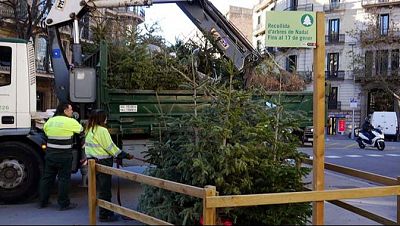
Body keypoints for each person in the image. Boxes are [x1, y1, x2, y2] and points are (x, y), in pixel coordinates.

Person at [84, 109, 133, 222]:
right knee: (105, 190)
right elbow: (110, 147)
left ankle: (107, 212)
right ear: (101, 118)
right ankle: (105, 215)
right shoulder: (102, 131)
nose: (107, 119)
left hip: (93, 162)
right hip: (103, 163)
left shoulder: (90, 129)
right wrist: (124, 155)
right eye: (105, 117)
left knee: (101, 189)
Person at [39, 103, 83, 210]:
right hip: (64, 155)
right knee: (64, 179)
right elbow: (81, 130)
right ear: (65, 111)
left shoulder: (50, 121)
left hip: (50, 154)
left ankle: (43, 202)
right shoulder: (70, 121)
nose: (72, 112)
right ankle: (63, 204)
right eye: (70, 110)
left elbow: (45, 130)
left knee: (47, 178)